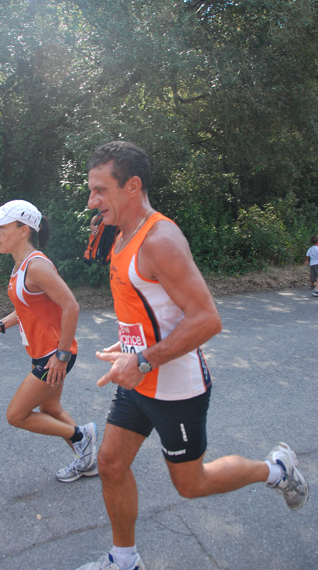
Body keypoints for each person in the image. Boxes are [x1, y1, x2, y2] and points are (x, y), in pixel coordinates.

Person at [76, 142, 309, 570]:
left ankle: (275, 469)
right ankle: (124, 561)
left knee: (191, 484)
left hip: (175, 389)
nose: (92, 201)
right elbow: (150, 308)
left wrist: (142, 357)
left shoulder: (160, 238)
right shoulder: (121, 235)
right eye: (90, 190)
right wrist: (128, 346)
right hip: (137, 377)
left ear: (132, 186)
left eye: (100, 190)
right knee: (110, 463)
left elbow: (206, 319)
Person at [0, 199, 98, 482]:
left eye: (2, 227)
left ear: (23, 230)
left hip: (54, 356)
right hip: (45, 353)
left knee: (17, 415)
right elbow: (27, 306)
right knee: (50, 409)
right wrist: (1, 324)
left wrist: (61, 355)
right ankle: (88, 461)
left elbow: (71, 306)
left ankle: (82, 435)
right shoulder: (21, 266)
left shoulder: (36, 266)